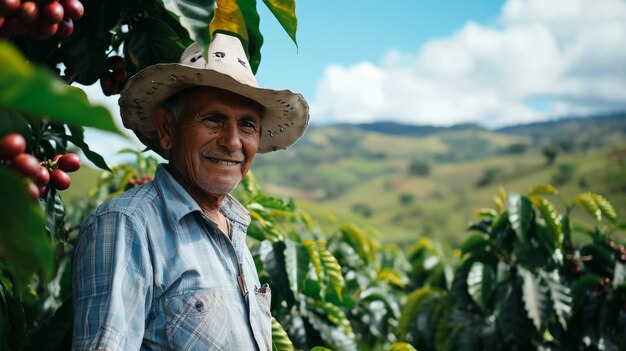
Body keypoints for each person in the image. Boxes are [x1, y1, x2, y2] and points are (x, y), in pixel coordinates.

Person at [71, 33, 309, 351]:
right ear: (167, 129)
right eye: (213, 119)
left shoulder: (234, 231)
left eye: (248, 125)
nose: (233, 142)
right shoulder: (128, 226)